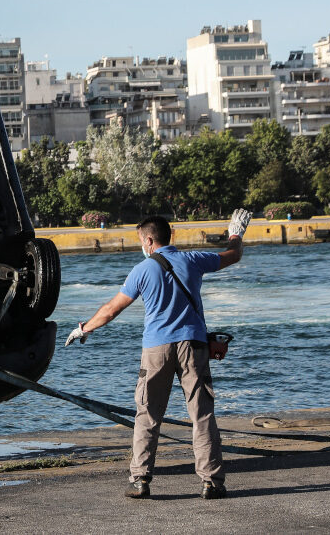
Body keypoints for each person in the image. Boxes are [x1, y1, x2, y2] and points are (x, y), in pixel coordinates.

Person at [65, 209, 251, 500]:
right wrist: (236, 233)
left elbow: (112, 310)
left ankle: (140, 481)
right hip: (193, 345)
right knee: (202, 414)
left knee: (148, 414)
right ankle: (212, 482)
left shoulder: (143, 270)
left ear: (150, 240)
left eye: (142, 240)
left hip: (156, 349)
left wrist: (83, 329)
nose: (142, 246)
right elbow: (233, 255)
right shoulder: (193, 260)